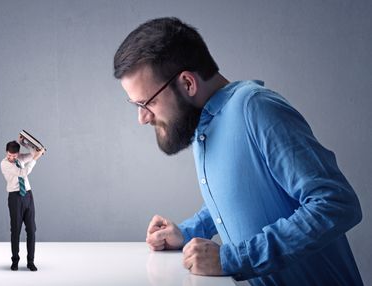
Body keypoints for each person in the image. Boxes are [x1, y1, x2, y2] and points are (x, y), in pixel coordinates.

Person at [113, 17, 363, 285]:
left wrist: (233, 259)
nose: (142, 118)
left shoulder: (256, 108)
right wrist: (187, 232)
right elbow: (241, 193)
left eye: (146, 102)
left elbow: (336, 204)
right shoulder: (201, 125)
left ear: (187, 84)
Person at [0, 136, 44, 271]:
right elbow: (23, 172)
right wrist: (36, 159)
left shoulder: (20, 158)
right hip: (15, 198)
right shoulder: (5, 164)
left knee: (31, 230)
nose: (11, 158)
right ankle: (15, 261)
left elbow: (33, 153)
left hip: (28, 196)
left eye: (14, 155)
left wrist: (23, 143)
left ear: (17, 154)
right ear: (6, 152)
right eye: (9, 154)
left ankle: (30, 261)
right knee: (16, 231)